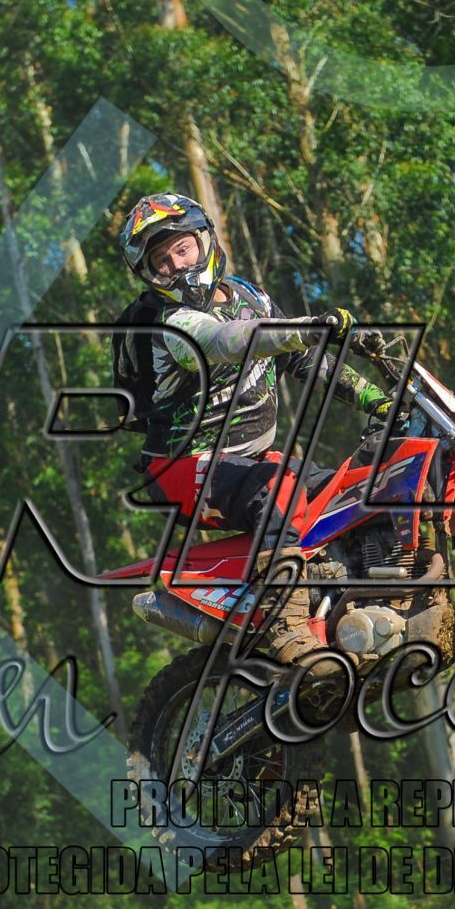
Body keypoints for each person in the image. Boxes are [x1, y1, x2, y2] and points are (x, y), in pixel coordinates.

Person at [111, 191, 390, 663]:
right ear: (149, 274)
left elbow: (309, 361)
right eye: (161, 262)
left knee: (355, 492)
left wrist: (379, 401)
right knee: (278, 489)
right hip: (182, 468)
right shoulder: (169, 323)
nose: (176, 266)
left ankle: (356, 603)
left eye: (182, 249)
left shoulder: (249, 296)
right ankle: (286, 628)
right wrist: (305, 327)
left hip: (250, 460)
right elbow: (226, 340)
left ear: (205, 240)